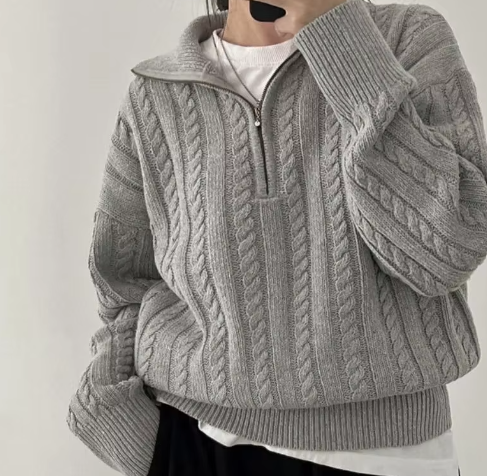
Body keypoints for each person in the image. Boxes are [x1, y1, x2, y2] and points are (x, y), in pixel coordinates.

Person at [66, 0, 487, 475]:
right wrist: (125, 426)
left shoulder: (404, 39)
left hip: (386, 456)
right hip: (195, 436)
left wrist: (340, 39)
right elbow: (124, 284)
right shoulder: (155, 93)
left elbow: (447, 251)